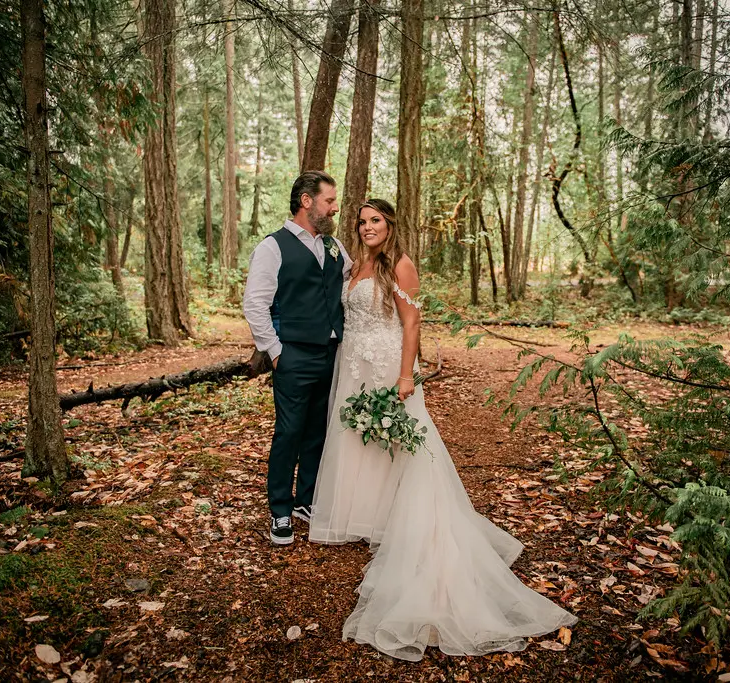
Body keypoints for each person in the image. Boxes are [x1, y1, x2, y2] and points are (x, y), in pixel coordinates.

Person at [309, 199, 577, 661]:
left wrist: (406, 375)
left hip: (389, 365)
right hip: (353, 364)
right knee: (360, 439)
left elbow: (412, 321)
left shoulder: (401, 264)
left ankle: (411, 521)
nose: (367, 227)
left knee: (403, 442)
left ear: (390, 224)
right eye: (362, 221)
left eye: (375, 220)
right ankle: (369, 517)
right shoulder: (355, 264)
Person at [243, 171, 352, 546]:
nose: (334, 207)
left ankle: (306, 501)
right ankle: (280, 510)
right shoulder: (272, 247)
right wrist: (275, 352)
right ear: (307, 201)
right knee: (289, 432)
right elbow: (255, 304)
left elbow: (351, 282)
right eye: (329, 200)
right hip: (293, 356)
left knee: (318, 431)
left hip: (331, 354)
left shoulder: (335, 246)